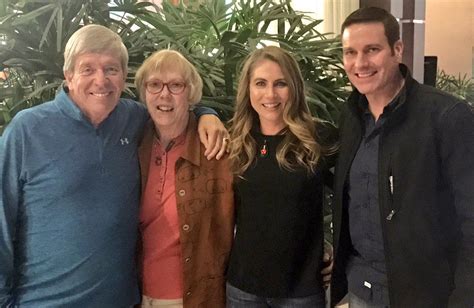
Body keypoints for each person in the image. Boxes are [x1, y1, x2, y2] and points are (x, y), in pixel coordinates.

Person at [0, 24, 227, 307]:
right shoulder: (27, 130)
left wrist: (207, 113)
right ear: (68, 76)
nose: (101, 80)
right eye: (87, 69)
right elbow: (2, 222)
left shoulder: (134, 120)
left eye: (111, 69)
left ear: (123, 78)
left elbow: (173, 106)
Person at [331, 7, 474, 308]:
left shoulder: (446, 117)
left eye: (372, 50)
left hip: (424, 295)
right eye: (350, 52)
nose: (359, 63)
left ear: (397, 49)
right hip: (360, 290)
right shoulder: (350, 116)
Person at [225, 46, 338, 308]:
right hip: (243, 288)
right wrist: (204, 114)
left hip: (301, 290)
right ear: (248, 89)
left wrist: (338, 250)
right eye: (260, 83)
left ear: (295, 88)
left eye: (280, 84)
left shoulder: (319, 138)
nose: (270, 94)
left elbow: (355, 197)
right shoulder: (237, 141)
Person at [135, 49, 234, 308]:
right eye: (154, 84)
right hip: (136, 295)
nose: (164, 94)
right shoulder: (133, 141)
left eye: (176, 85)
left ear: (190, 93)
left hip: (196, 298)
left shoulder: (215, 148)